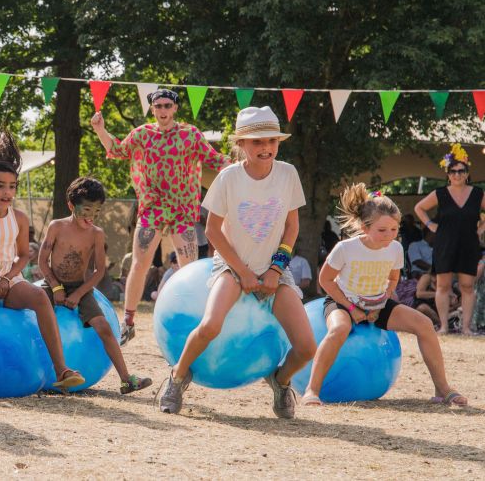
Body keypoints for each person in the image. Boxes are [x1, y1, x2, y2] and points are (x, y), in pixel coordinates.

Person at [158, 106, 316, 419]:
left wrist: (275, 269)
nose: (266, 147)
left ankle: (280, 381)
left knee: (307, 347)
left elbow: (292, 227)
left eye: (271, 140)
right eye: (257, 142)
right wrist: (242, 272)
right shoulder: (228, 177)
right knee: (210, 325)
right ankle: (178, 376)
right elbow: (212, 230)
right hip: (231, 267)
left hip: (274, 270)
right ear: (241, 144)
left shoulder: (288, 174)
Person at [302, 183, 467, 406]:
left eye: (394, 229)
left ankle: (442, 389)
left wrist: (382, 301)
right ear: (364, 227)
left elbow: (393, 278)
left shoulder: (395, 248)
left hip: (377, 303)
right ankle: (312, 390)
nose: (389, 236)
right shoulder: (345, 248)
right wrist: (352, 309)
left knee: (425, 324)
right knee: (340, 329)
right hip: (343, 302)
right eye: (382, 230)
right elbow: (325, 280)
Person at [0, 130, 84, 389]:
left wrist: (8, 278)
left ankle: (61, 369)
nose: (7, 192)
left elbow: (22, 256)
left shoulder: (18, 219)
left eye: (12, 186)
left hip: (8, 280)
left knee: (41, 297)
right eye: (0, 185)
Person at [91, 89, 229, 345]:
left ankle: (194, 322)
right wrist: (100, 130)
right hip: (153, 208)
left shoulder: (190, 134)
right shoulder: (143, 134)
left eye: (167, 105)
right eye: (158, 106)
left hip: (183, 210)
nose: (163, 110)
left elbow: (215, 159)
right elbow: (118, 150)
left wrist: (243, 161)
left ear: (175, 108)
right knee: (139, 265)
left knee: (189, 270)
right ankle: (128, 322)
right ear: (152, 109)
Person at [38, 177, 153, 394]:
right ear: (72, 205)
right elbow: (42, 261)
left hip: (80, 287)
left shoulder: (96, 234)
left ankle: (126, 379)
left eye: (97, 211)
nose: (91, 216)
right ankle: (46, 373)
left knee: (104, 327)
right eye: (87, 209)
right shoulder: (56, 227)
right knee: (35, 318)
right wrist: (55, 287)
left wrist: (78, 293)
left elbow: (99, 270)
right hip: (51, 284)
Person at [414, 143, 484, 335]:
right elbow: (419, 208)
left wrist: (480, 229)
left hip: (469, 243)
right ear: (448, 174)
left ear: (467, 173)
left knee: (467, 286)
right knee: (443, 285)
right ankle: (444, 326)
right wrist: (430, 225)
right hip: (445, 243)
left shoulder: (477, 194)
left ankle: (466, 327)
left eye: (461, 171)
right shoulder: (440, 194)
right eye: (453, 171)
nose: (457, 175)